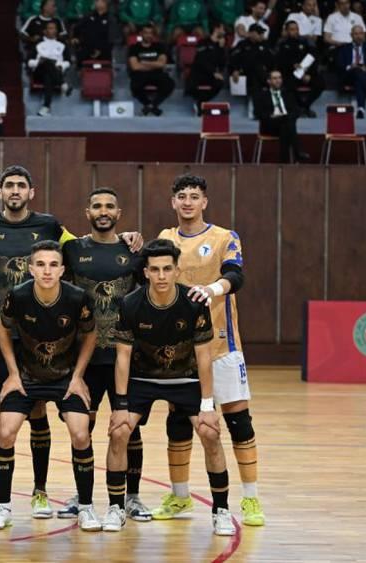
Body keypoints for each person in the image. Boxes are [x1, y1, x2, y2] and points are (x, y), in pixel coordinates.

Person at [104, 239, 236, 537]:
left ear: (177, 270)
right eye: (155, 270)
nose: (161, 275)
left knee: (210, 434)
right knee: (119, 431)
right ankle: (115, 507)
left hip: (186, 379)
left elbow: (204, 356)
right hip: (143, 379)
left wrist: (206, 405)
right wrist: (121, 404)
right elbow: (123, 356)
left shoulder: (193, 302)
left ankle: (222, 510)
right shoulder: (131, 304)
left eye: (167, 269)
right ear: (147, 272)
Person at [156, 174, 264, 527]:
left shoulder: (224, 237)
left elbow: (236, 276)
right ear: (173, 202)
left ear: (205, 202)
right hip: (180, 350)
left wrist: (213, 289)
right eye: (182, 196)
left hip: (221, 346)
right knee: (180, 421)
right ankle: (180, 495)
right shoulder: (165, 238)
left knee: (237, 421)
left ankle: (250, 499)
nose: (187, 202)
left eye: (194, 196)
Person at [0, 166, 73, 519]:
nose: (15, 191)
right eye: (9, 185)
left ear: (32, 191)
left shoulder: (49, 226)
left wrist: (128, 239)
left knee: (38, 409)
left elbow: (81, 248)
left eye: (21, 186)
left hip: (36, 335)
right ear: (0, 191)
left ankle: (40, 491)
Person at [0, 240, 99, 531]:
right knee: (6, 432)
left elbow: (90, 335)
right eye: (40, 264)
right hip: (27, 377)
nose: (46, 270)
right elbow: (3, 327)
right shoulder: (18, 296)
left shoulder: (77, 297)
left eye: (52, 265)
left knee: (80, 434)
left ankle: (86, 508)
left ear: (61, 269)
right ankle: (3, 506)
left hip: (64, 378)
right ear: (30, 268)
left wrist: (77, 377)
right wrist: (12, 373)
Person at [59, 188, 150, 522]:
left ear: (119, 213)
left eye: (109, 206)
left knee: (129, 427)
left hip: (126, 357)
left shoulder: (134, 252)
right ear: (87, 212)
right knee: (82, 425)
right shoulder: (72, 250)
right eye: (96, 205)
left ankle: (133, 497)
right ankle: (80, 495)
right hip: (85, 356)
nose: (103, 211)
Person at [253, 70, 309, 162]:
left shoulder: (288, 94)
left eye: (279, 78)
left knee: (285, 125)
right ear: (269, 81)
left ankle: (284, 161)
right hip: (270, 125)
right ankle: (298, 152)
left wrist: (286, 116)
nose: (278, 80)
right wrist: (271, 116)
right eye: (275, 78)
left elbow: (296, 111)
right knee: (287, 123)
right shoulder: (261, 95)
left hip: (285, 124)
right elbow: (258, 113)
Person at [277, 21, 324, 118]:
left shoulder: (305, 42)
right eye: (292, 29)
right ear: (286, 31)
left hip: (306, 72)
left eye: (297, 29)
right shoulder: (282, 44)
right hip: (290, 74)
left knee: (321, 83)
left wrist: (307, 73)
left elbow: (313, 58)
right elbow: (280, 62)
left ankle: (305, 106)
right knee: (288, 86)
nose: (295, 32)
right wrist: (292, 65)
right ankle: (302, 107)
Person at [127, 24, 175, 116]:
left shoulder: (159, 46)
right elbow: (135, 67)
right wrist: (154, 64)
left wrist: (144, 62)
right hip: (140, 74)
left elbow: (162, 64)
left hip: (156, 74)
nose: (149, 35)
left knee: (170, 84)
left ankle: (152, 105)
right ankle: (150, 105)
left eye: (151, 33)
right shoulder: (134, 48)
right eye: (146, 33)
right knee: (135, 86)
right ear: (141, 34)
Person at [29, 21, 73, 117]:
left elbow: (68, 61)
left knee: (48, 76)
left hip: (55, 71)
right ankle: (63, 85)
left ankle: (46, 107)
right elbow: (29, 61)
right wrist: (39, 62)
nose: (52, 30)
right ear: (45, 31)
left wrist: (61, 66)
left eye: (54, 28)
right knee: (47, 62)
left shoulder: (62, 44)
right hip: (39, 71)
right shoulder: (38, 43)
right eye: (50, 28)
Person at [186, 23, 228, 113]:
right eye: (223, 29)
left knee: (219, 83)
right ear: (216, 29)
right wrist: (214, 72)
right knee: (193, 84)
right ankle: (199, 102)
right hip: (199, 72)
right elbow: (201, 61)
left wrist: (221, 48)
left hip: (211, 75)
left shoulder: (221, 44)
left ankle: (201, 102)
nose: (224, 32)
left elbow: (222, 64)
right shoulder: (203, 42)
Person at [336, 25, 366, 118]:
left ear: (364, 35)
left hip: (364, 76)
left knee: (358, 82)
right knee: (357, 69)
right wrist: (350, 66)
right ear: (351, 35)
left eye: (361, 33)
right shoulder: (344, 49)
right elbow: (339, 66)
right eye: (356, 34)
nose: (359, 36)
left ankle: (361, 109)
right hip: (348, 75)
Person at [230, 24, 275, 97]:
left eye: (262, 33)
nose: (262, 35)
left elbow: (272, 60)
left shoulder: (265, 45)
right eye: (259, 33)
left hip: (262, 75)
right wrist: (235, 70)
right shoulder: (242, 45)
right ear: (251, 34)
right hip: (245, 74)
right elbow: (233, 59)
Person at [73, 0, 112, 64]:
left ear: (105, 2)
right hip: (87, 50)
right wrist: (75, 37)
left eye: (98, 0)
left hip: (104, 52)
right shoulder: (88, 16)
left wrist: (100, 50)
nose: (95, 2)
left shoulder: (111, 18)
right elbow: (77, 28)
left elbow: (112, 38)